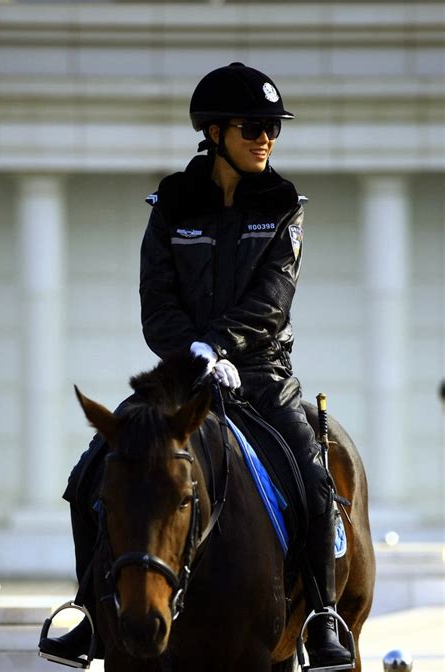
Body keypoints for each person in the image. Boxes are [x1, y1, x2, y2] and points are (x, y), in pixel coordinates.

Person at [39, 62, 352, 669]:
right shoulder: (172, 204)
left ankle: (321, 618)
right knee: (89, 476)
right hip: (180, 374)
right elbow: (156, 301)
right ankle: (87, 615)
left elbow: (273, 298)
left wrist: (223, 347)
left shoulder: (285, 205)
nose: (266, 137)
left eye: (273, 128)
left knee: (316, 482)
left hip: (260, 371)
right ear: (213, 132)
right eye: (253, 126)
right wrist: (195, 354)